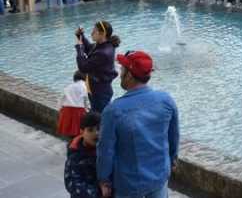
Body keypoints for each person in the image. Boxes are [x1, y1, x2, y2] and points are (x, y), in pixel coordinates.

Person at [97, 51, 179, 198]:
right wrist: (172, 159)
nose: (119, 73)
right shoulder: (166, 100)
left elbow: (106, 151)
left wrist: (104, 179)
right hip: (159, 176)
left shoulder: (113, 111)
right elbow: (173, 137)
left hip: (128, 183)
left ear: (129, 75)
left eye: (122, 69)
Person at [75, 21, 120, 113]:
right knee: (97, 116)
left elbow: (83, 67)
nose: (91, 33)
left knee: (100, 118)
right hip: (97, 89)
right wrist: (81, 36)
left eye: (94, 31)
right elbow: (89, 49)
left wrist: (79, 48)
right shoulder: (102, 45)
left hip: (100, 92)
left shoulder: (103, 52)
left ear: (102, 34)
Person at [64, 112, 101, 198]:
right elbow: (73, 186)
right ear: (82, 132)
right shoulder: (75, 157)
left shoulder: (106, 150)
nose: (96, 133)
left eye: (99, 129)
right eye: (90, 130)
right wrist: (99, 193)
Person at [57, 71, 89, 138]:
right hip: (78, 111)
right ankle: (75, 145)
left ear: (74, 78)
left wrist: (59, 109)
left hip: (67, 110)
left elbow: (61, 98)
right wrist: (87, 109)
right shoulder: (84, 87)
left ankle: (70, 144)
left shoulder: (68, 86)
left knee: (69, 131)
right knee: (78, 132)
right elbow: (86, 100)